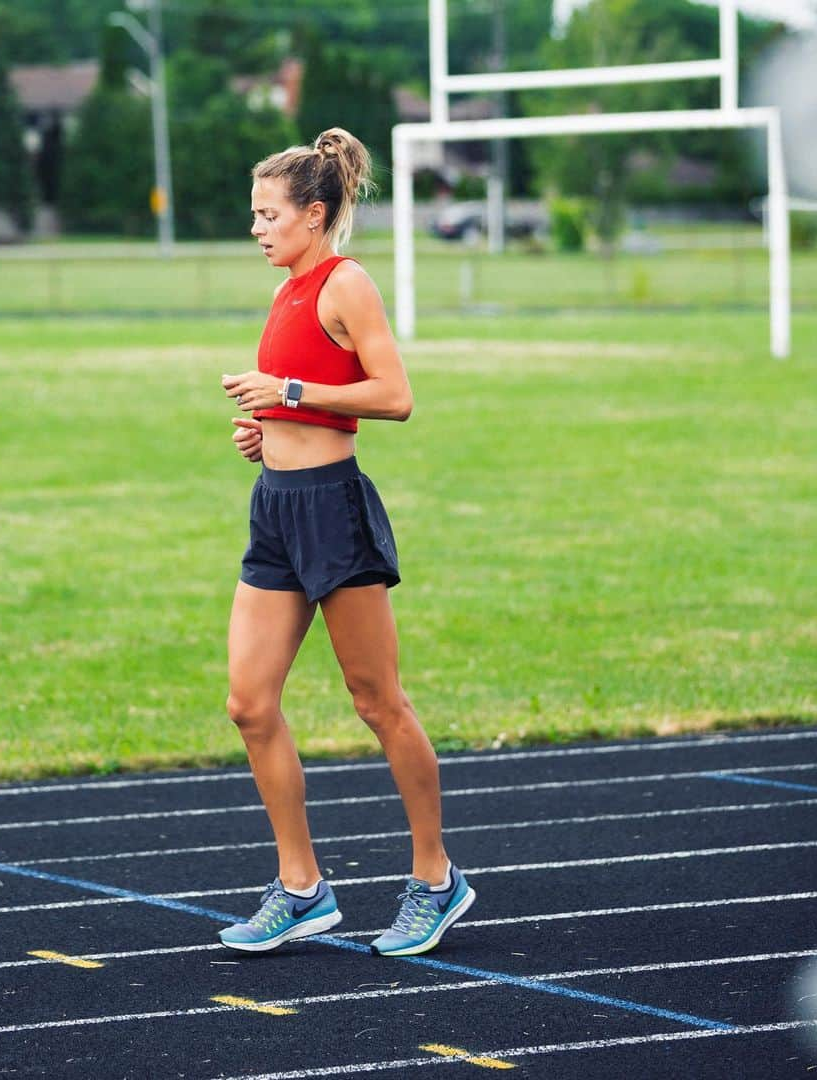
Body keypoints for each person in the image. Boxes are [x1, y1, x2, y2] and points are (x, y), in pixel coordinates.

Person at [218, 128, 475, 957]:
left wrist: (287, 391)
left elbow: (395, 396)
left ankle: (436, 880)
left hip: (333, 509)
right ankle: (302, 890)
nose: (256, 229)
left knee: (378, 703)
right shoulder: (288, 286)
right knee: (249, 704)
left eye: (268, 215)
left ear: (314, 214)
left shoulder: (345, 282)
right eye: (253, 215)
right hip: (276, 508)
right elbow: (310, 398)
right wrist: (269, 429)